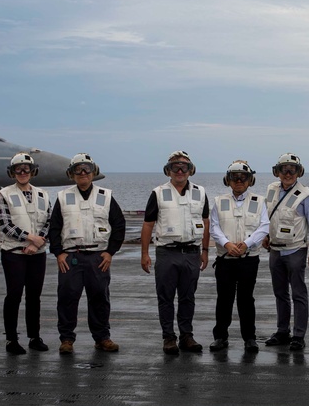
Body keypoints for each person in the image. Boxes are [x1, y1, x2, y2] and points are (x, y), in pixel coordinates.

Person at [48, 153, 125, 354]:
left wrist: (110, 252)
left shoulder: (106, 196)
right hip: (70, 257)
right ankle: (66, 339)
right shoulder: (63, 197)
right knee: (67, 298)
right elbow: (54, 227)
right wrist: (58, 253)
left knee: (100, 298)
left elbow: (119, 224)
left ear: (93, 172)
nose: (83, 173)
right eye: (78, 170)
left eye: (87, 169)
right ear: (71, 174)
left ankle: (102, 338)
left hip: (98, 257)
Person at [140, 151, 210, 355]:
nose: (180, 170)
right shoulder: (158, 193)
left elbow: (206, 223)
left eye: (184, 167)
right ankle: (169, 338)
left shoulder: (200, 192)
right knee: (166, 297)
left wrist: (204, 251)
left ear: (191, 170)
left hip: (191, 252)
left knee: (188, 297)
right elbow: (148, 224)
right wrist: (144, 253)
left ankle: (187, 336)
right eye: (175, 167)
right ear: (168, 170)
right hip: (166, 253)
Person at [262, 153, 309, 351]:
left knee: (298, 293)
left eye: (292, 169)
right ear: (277, 171)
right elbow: (266, 215)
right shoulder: (271, 189)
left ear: (299, 172)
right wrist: (264, 234)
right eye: (284, 169)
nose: (287, 173)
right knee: (280, 293)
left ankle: (298, 335)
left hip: (296, 249)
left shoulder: (307, 195)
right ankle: (282, 331)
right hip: (275, 250)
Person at [209, 160, 269, 353]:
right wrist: (227, 244)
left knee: (246, 299)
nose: (239, 181)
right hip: (225, 259)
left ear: (250, 180)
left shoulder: (259, 202)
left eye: (243, 178)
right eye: (234, 177)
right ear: (228, 180)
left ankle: (249, 338)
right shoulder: (219, 201)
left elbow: (264, 226)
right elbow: (214, 226)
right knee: (224, 299)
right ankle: (220, 337)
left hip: (248, 259)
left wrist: (246, 244)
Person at [0, 153, 52, 355]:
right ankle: (11, 339)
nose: (22, 173)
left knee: (34, 296)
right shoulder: (3, 194)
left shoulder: (43, 195)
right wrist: (30, 238)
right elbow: (5, 225)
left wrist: (37, 244)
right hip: (14, 253)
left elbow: (49, 222)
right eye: (18, 169)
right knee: (14, 295)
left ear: (32, 171)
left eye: (26, 169)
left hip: (37, 253)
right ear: (12, 172)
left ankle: (34, 337)